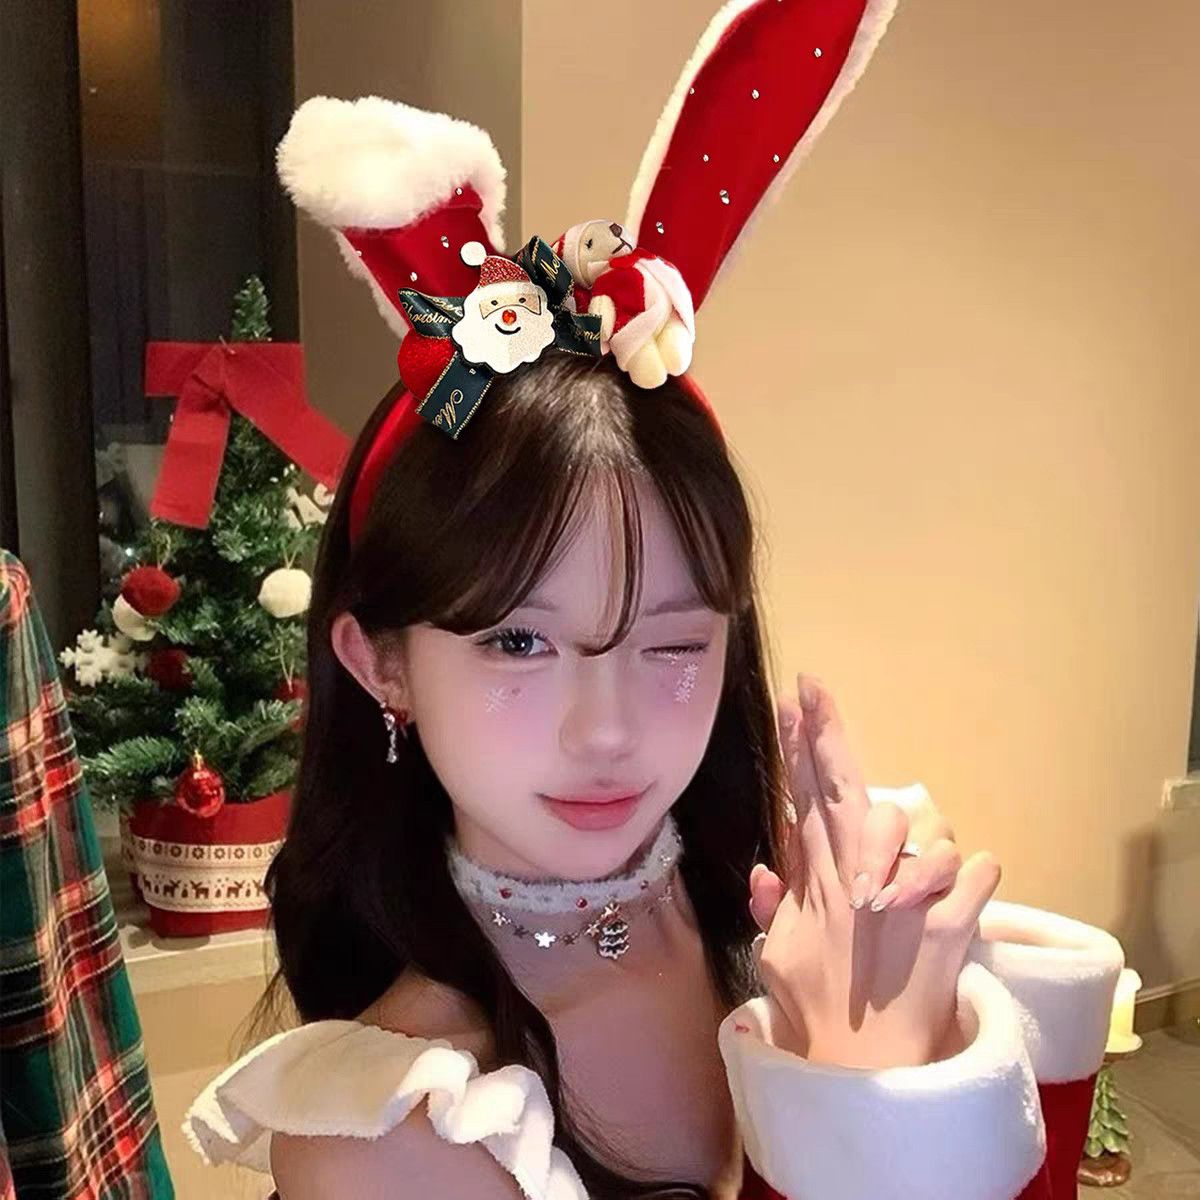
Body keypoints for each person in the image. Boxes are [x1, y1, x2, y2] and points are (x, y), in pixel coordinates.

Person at [184, 3, 1124, 1197]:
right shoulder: (403, 1132)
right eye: (518, 642)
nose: (610, 730)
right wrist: (867, 1105)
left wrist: (928, 1025)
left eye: (674, 644)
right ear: (384, 663)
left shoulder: (772, 919)